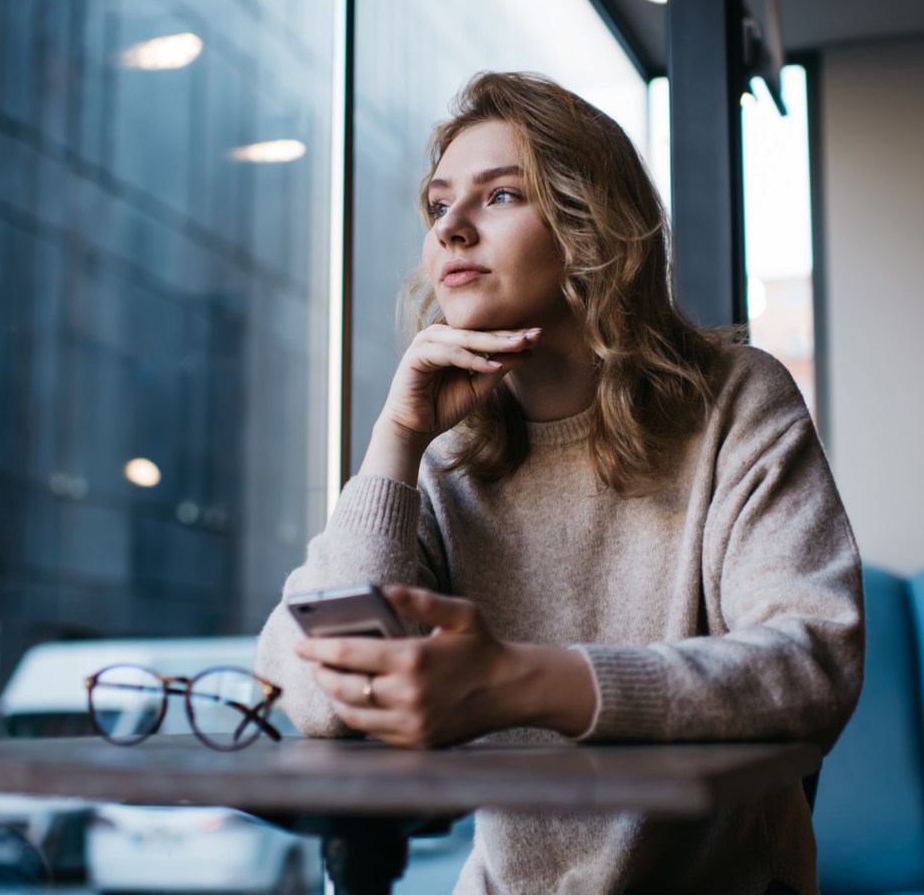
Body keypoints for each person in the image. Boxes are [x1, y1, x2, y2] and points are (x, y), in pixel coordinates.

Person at [256, 71, 863, 895]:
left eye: (500, 196)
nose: (453, 231)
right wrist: (392, 446)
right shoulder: (445, 450)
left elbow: (812, 663)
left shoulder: (736, 399)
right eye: (439, 207)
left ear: (590, 226)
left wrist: (518, 683)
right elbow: (315, 693)